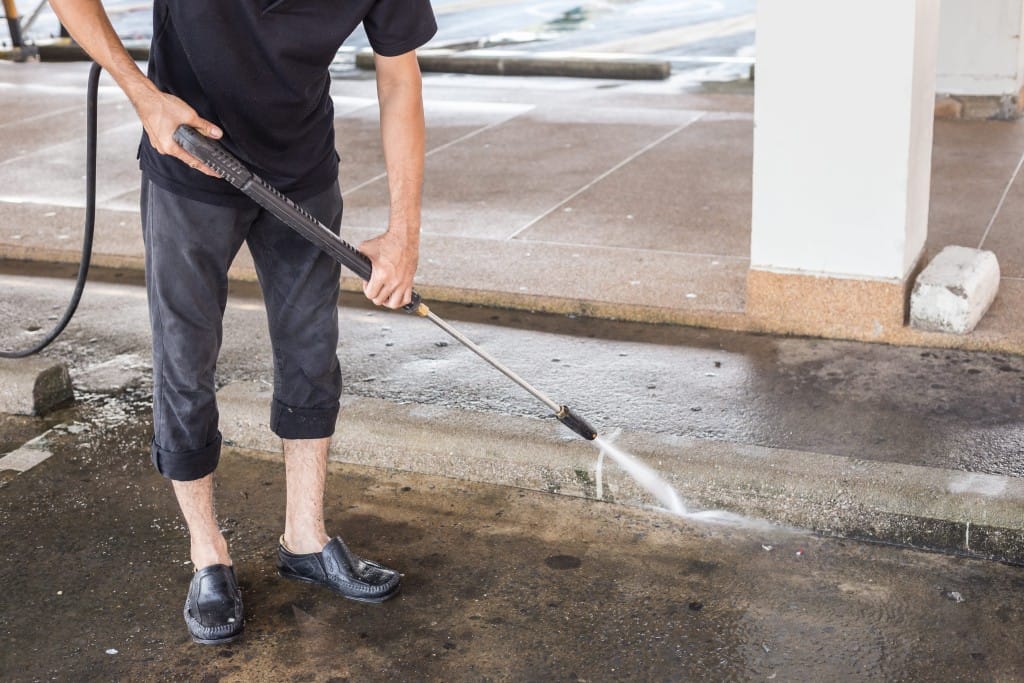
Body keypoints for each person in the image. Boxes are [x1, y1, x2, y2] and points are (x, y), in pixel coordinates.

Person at [48, 0, 437, 644]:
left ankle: (305, 538)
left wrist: (404, 233)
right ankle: (208, 553)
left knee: (313, 352)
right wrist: (143, 95)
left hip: (302, 168)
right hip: (190, 166)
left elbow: (400, 75)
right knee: (185, 361)